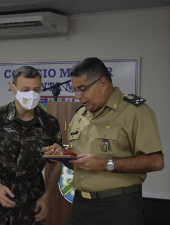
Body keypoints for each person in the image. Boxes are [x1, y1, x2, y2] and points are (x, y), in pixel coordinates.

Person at [43, 57, 164, 225]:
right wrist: (63, 156)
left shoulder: (135, 111)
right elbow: (79, 164)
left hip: (118, 206)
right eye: (75, 90)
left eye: (82, 89)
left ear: (102, 83)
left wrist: (106, 163)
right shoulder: (80, 115)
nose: (78, 96)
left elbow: (156, 161)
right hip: (80, 205)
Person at [0, 66, 63, 225]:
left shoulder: (49, 123)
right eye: (26, 89)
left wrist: (48, 196)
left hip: (30, 205)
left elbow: (55, 163)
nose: (31, 95)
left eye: (36, 89)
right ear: (13, 89)